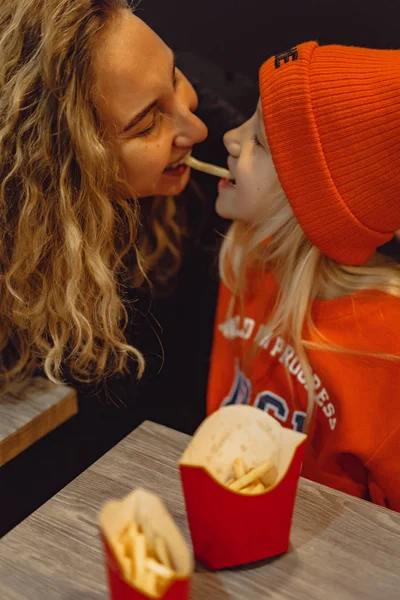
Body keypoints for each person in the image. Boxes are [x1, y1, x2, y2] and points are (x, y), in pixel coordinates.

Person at [207, 41, 400, 511]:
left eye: (261, 142)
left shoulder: (385, 343)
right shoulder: (243, 255)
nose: (232, 137)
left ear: (312, 204)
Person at [0, 0, 207, 392]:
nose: (197, 130)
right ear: (61, 164)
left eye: (176, 77)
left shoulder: (223, 166)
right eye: (147, 125)